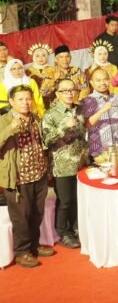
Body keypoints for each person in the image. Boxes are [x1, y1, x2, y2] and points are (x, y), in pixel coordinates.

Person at [0, 86, 55, 268]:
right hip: (17, 178)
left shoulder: (35, 118)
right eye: (21, 99)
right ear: (11, 102)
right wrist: (9, 129)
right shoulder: (4, 120)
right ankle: (22, 252)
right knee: (21, 217)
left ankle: (34, 245)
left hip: (38, 173)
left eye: (28, 99)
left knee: (36, 213)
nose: (26, 102)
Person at [40, 78, 88, 249]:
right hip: (62, 164)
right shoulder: (50, 114)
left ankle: (76, 227)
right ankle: (63, 231)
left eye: (72, 89)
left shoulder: (79, 110)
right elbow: (45, 140)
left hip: (80, 163)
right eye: (65, 90)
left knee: (77, 198)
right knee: (65, 200)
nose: (69, 93)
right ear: (57, 93)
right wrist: (64, 127)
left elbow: (82, 135)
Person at [82, 68, 118, 158]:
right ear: (91, 82)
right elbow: (87, 124)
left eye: (105, 79)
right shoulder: (88, 100)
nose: (102, 83)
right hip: (98, 150)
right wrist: (102, 110)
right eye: (98, 80)